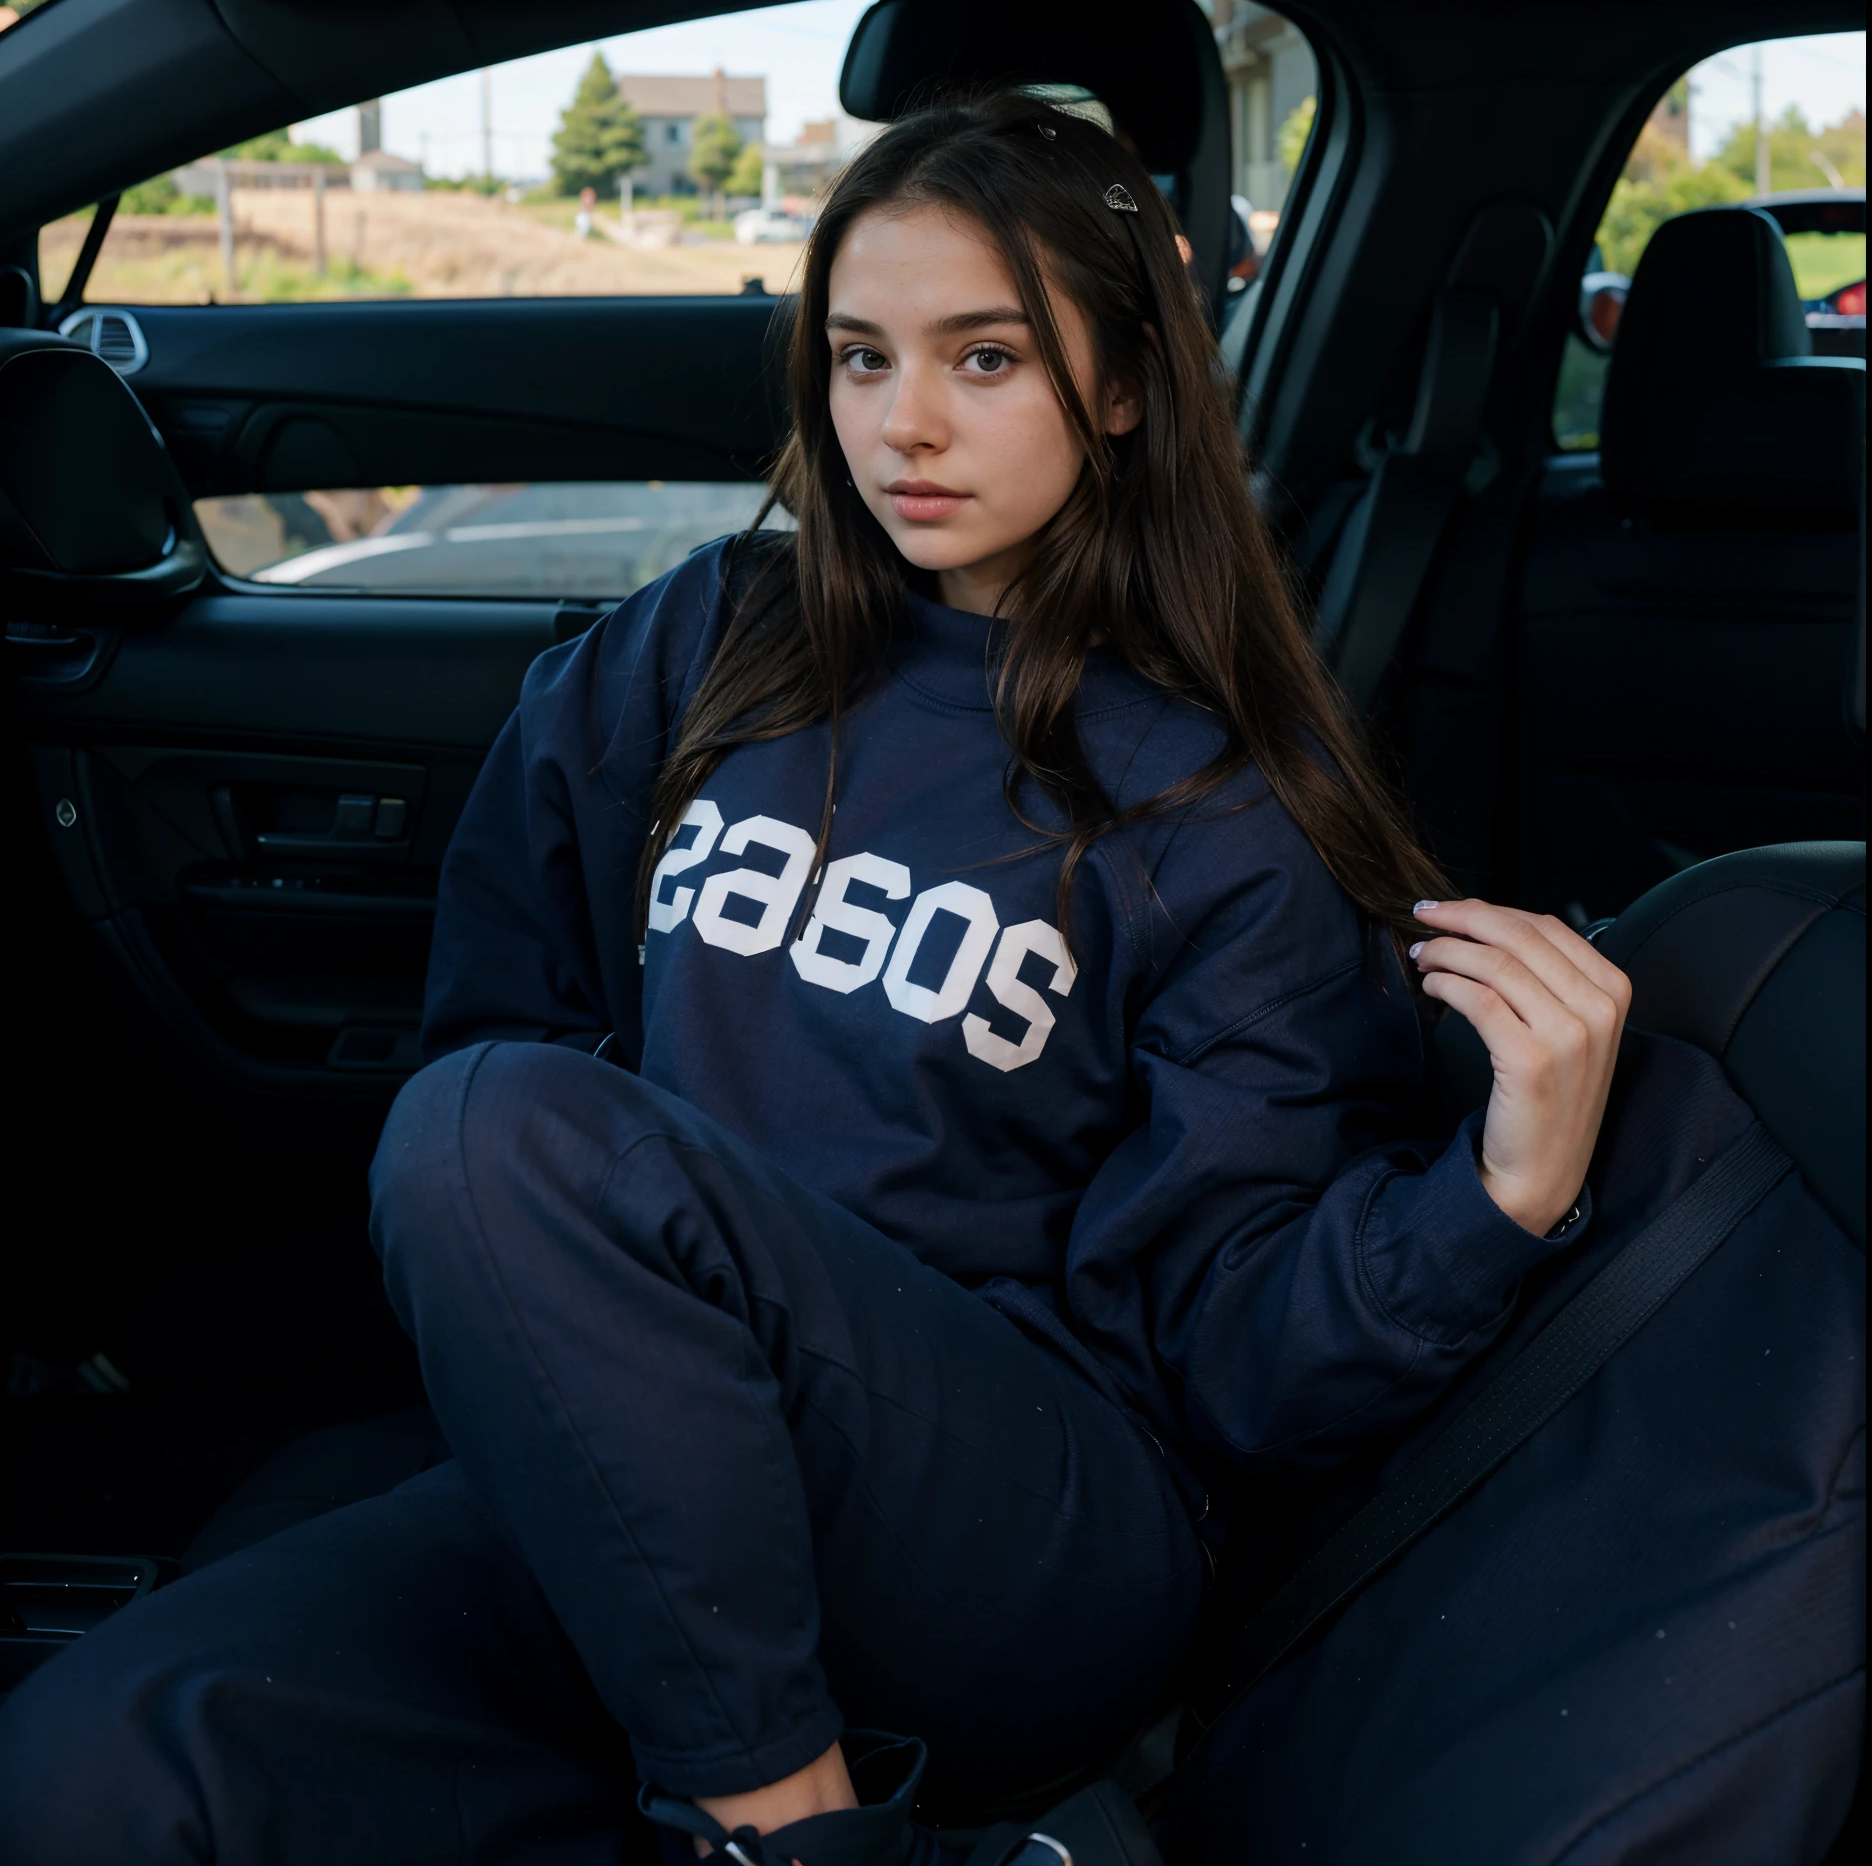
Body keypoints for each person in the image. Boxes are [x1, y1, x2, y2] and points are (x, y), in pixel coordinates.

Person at [0, 91, 1632, 1866]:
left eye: (985, 358)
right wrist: (581, 1344)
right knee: (85, 1771)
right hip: (664, 1464)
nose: (901, 422)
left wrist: (1499, 1201)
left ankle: (785, 1829)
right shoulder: (710, 639)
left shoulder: (1214, 812)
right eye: (859, 357)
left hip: (1028, 1522)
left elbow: (1224, 1353)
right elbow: (508, 994)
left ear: (1125, 389)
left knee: (501, 1133)